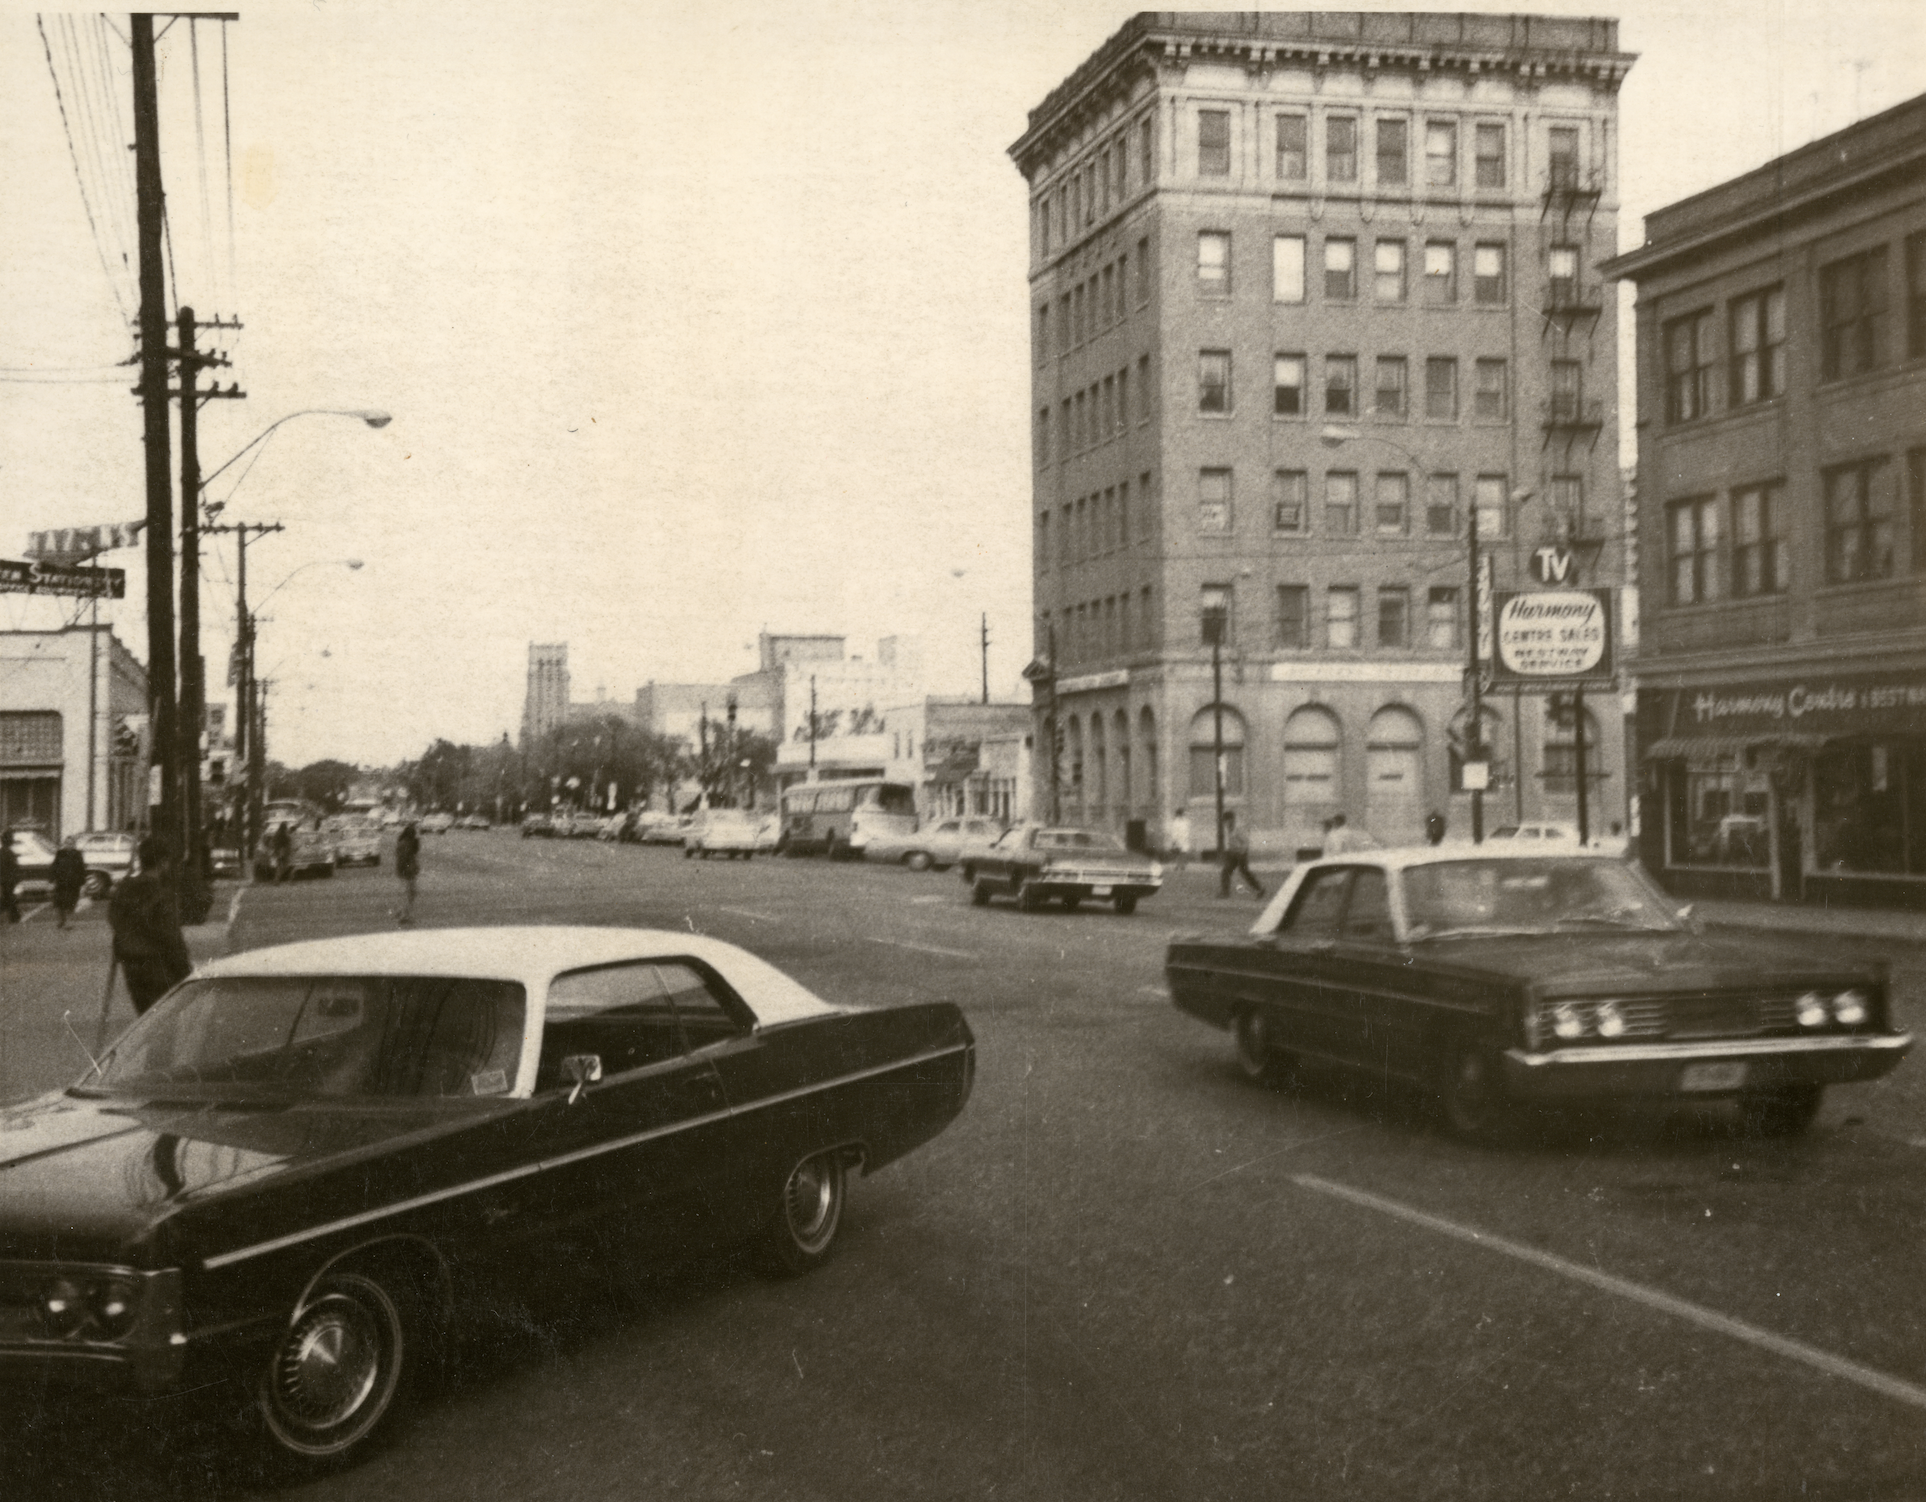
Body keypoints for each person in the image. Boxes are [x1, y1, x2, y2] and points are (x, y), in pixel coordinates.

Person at [109, 836, 192, 1015]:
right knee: (166, 1021)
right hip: (159, 967)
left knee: (146, 1017)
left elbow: (115, 921)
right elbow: (171, 937)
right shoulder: (161, 895)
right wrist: (185, 972)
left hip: (132, 966)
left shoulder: (123, 891)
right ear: (163, 862)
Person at [1218, 811, 1264, 899]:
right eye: (1225, 821)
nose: (1225, 823)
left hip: (1241, 854)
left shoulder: (1238, 828)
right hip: (1233, 853)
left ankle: (1260, 889)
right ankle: (1225, 892)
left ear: (1231, 819)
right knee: (1226, 871)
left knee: (1245, 872)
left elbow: (1245, 842)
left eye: (1226, 821)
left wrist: (1242, 853)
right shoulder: (1230, 828)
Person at [50, 838, 87, 929]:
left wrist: (83, 883)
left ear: (74, 844)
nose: (69, 845)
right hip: (61, 883)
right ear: (64, 844)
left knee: (70, 904)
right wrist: (51, 880)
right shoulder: (60, 853)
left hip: (73, 883)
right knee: (59, 903)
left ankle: (68, 923)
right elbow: (54, 866)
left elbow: (81, 868)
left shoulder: (77, 854)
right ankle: (62, 920)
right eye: (67, 843)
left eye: (71, 843)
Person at [395, 821, 421, 926]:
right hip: (408, 872)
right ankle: (405, 915)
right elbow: (410, 855)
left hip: (404, 871)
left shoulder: (403, 843)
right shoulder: (407, 844)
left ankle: (402, 912)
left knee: (408, 893)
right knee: (410, 893)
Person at [0, 829, 19, 924]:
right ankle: (14, 916)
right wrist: (16, 879)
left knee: (7, 897)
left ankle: (15, 916)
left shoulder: (2, 852)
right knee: (8, 898)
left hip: (3, 879)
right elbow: (14, 867)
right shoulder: (10, 853)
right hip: (9, 880)